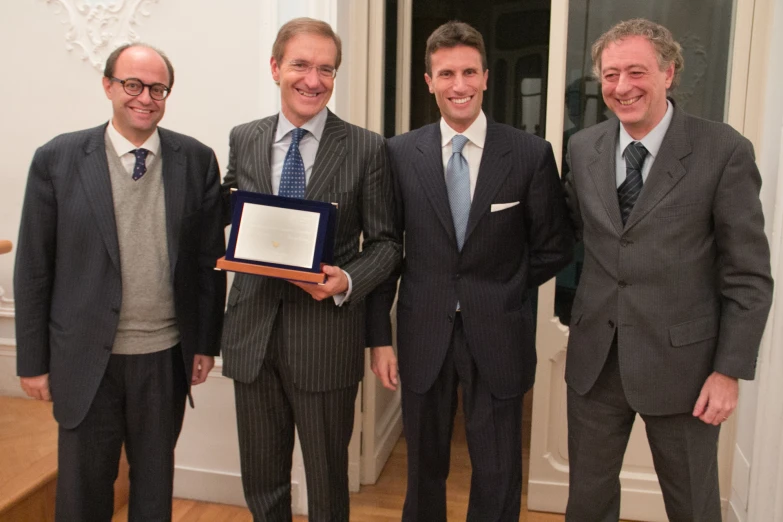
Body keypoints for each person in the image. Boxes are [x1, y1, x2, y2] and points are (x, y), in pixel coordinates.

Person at [563, 18, 773, 521]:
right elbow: (582, 238)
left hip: (686, 370)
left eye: (636, 72)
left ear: (668, 73)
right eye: (610, 75)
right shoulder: (582, 147)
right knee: (587, 505)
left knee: (694, 507)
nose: (621, 87)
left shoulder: (723, 151)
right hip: (596, 363)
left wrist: (728, 371)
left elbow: (748, 274)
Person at [368, 21, 573, 522]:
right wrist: (380, 338)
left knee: (498, 470)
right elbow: (385, 250)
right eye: (446, 74)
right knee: (423, 468)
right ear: (429, 81)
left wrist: (502, 289)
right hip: (422, 331)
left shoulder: (529, 154)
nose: (457, 84)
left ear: (484, 77)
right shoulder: (398, 154)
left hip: (499, 331)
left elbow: (555, 245)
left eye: (467, 72)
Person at [14, 44, 226, 522]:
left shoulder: (195, 160)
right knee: (82, 494)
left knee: (153, 494)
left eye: (157, 88)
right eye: (132, 84)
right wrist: (32, 361)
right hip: (84, 359)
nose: (145, 97)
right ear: (108, 86)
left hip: (164, 358)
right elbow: (33, 266)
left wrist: (205, 343)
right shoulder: (58, 158)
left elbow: (206, 264)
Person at [219, 17, 401, 521]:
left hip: (325, 340)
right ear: (276, 67)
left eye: (326, 69)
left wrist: (347, 280)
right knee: (262, 483)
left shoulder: (367, 147)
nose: (313, 80)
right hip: (251, 335)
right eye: (300, 64)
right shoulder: (245, 137)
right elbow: (232, 203)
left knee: (325, 484)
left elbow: (387, 244)